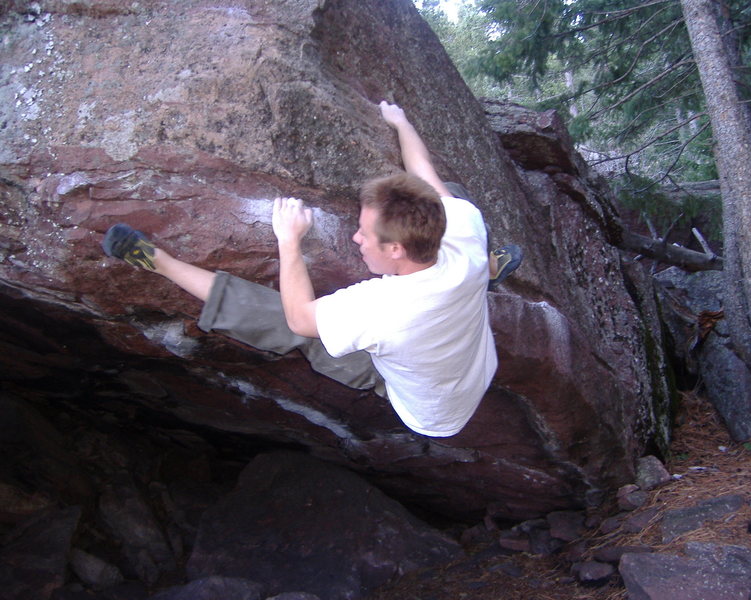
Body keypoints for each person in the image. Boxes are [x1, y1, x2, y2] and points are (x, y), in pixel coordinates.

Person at [102, 101, 521, 437]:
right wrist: (400, 122)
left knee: (289, 325)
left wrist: (288, 241)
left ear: (394, 248)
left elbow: (300, 318)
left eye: (363, 233)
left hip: (426, 411)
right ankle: (483, 274)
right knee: (460, 203)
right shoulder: (460, 226)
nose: (356, 239)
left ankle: (159, 262)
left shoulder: (381, 309)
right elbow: (423, 175)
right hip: (473, 369)